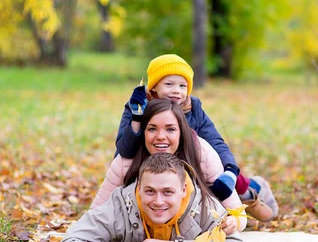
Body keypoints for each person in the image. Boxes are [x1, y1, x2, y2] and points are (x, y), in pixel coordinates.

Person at [115, 54, 278, 221]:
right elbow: (124, 151)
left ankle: (250, 191)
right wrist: (137, 118)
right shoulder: (138, 107)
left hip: (191, 165)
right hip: (152, 167)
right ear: (154, 87)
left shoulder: (193, 110)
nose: (176, 91)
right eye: (169, 84)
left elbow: (215, 143)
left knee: (222, 176)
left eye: (182, 86)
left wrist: (230, 171)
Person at [54, 153, 247, 242]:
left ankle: (254, 192)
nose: (158, 201)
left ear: (183, 190)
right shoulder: (121, 204)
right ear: (138, 189)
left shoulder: (205, 206)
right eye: (150, 191)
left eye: (168, 192)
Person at [92, 99, 246, 234]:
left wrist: (233, 222)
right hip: (142, 233)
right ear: (143, 132)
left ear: (181, 132)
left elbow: (238, 214)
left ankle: (255, 194)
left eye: (170, 129)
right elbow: (95, 215)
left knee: (247, 188)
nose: (160, 136)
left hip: (195, 225)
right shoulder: (126, 161)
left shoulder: (202, 152)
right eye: (152, 129)